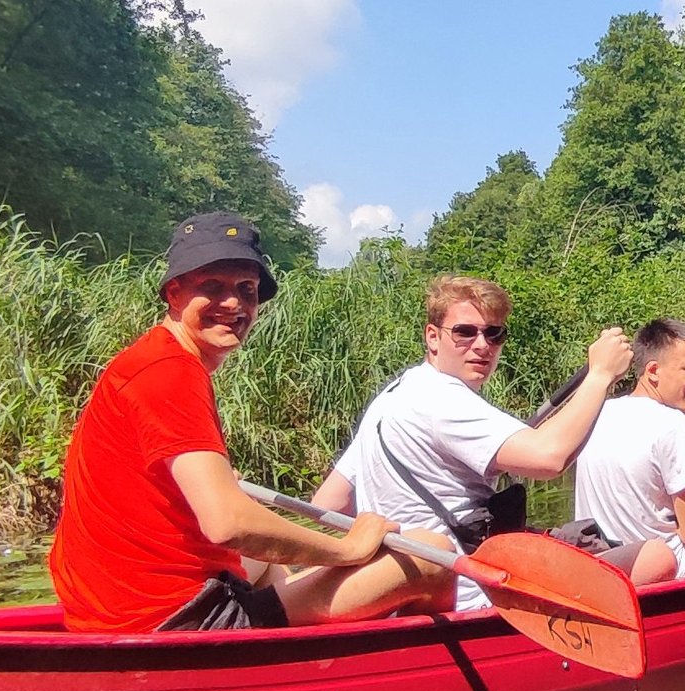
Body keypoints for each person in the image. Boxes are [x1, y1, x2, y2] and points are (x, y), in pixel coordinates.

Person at [50, 211, 449, 633]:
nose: (234, 304)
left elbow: (190, 499)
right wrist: (346, 548)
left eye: (247, 290)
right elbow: (228, 524)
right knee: (430, 553)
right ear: (174, 292)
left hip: (113, 610)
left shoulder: (153, 357)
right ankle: (421, 670)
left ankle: (297, 653)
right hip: (168, 622)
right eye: (213, 287)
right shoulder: (170, 372)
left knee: (266, 566)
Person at [313, 276, 633, 610]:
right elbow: (550, 457)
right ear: (433, 337)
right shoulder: (441, 398)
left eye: (494, 333)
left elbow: (329, 502)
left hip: (401, 599)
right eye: (465, 332)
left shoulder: (392, 397)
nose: (482, 345)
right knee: (653, 557)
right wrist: (600, 376)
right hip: (470, 596)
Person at [572, 318, 685, 585]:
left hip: (604, 559)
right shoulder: (671, 422)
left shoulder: (599, 411)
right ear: (653, 371)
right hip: (672, 566)